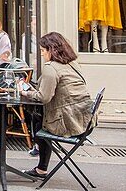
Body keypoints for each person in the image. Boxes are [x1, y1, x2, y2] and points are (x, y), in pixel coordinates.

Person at [8, 33, 96, 181]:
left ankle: (40, 160)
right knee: (38, 119)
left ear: (52, 50)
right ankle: (40, 164)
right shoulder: (72, 64)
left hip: (68, 124)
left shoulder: (51, 67)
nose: (42, 54)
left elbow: (43, 97)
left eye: (43, 50)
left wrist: (24, 91)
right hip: (85, 121)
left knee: (37, 121)